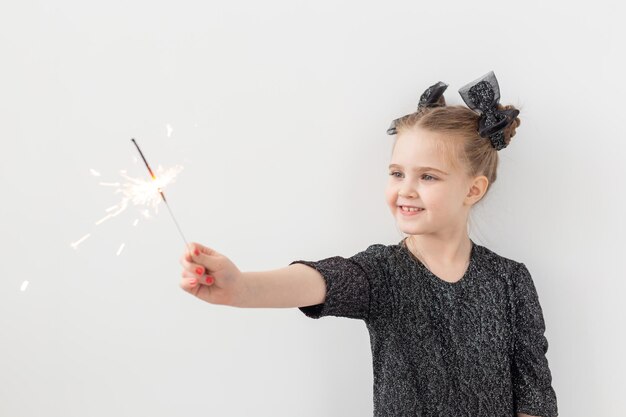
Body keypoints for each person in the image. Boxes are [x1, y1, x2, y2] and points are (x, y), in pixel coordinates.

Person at [178, 70, 558, 417]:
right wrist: (241, 286)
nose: (405, 190)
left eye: (428, 176)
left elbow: (534, 397)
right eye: (397, 173)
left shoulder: (510, 281)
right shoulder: (382, 273)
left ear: (472, 189)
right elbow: (322, 280)